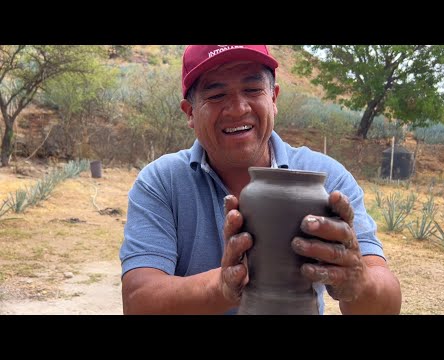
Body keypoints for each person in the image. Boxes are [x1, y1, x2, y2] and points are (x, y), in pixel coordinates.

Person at [119, 45, 402, 315]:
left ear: (274, 99)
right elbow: (138, 301)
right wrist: (222, 287)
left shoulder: (326, 178)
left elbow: (386, 303)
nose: (238, 108)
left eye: (253, 89)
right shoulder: (161, 182)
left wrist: (357, 281)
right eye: (216, 95)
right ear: (190, 113)